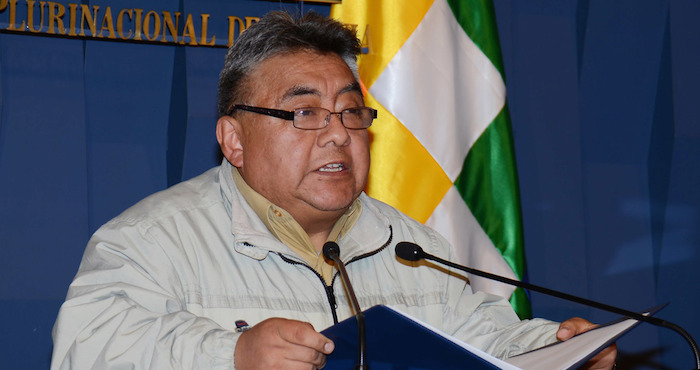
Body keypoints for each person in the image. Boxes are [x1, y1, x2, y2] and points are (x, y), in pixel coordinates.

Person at [51, 11, 616, 370]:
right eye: (304, 113)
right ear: (234, 139)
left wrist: (551, 347)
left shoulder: (410, 244)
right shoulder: (151, 241)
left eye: (351, 113)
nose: (338, 135)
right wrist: (233, 354)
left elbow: (475, 334)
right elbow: (86, 350)